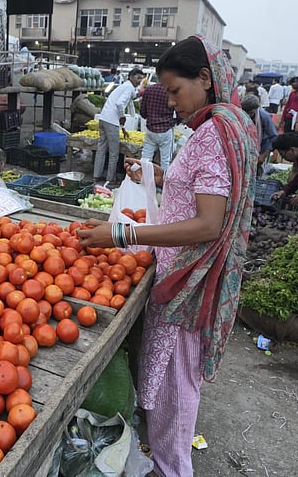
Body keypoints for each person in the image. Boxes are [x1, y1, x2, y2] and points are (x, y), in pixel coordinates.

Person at [76, 35, 258, 476]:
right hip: (177, 272)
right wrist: (157, 173)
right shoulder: (220, 125)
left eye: (176, 91)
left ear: (205, 78)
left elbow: (209, 223)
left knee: (177, 387)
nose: (171, 104)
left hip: (188, 283)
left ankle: (174, 468)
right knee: (174, 379)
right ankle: (166, 458)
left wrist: (123, 232)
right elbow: (198, 187)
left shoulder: (215, 133)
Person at [95, 68, 145, 184]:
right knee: (114, 153)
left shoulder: (125, 87)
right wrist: (122, 117)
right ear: (131, 77)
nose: (139, 81)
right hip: (111, 121)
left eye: (141, 79)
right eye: (137, 78)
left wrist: (123, 128)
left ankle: (96, 176)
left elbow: (132, 99)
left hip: (103, 119)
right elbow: (120, 104)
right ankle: (110, 179)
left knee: (101, 149)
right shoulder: (128, 88)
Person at [139, 82, 178, 170]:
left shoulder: (149, 89)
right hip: (166, 129)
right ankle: (163, 182)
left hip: (150, 129)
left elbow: (143, 112)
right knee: (165, 160)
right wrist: (176, 121)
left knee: (145, 158)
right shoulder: (171, 91)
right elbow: (179, 110)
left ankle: (144, 180)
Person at [241, 94, 277, 174]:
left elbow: (274, 137)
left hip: (261, 149)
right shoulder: (240, 114)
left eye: (250, 113)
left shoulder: (264, 117)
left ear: (256, 109)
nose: (248, 116)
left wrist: (264, 155)